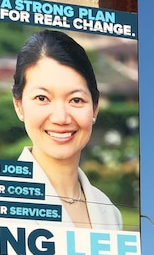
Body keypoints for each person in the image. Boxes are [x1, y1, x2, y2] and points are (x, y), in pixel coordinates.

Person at [11, 29, 122, 231]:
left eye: (76, 100)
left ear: (94, 108)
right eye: (42, 98)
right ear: (19, 105)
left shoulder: (110, 211)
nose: (61, 118)